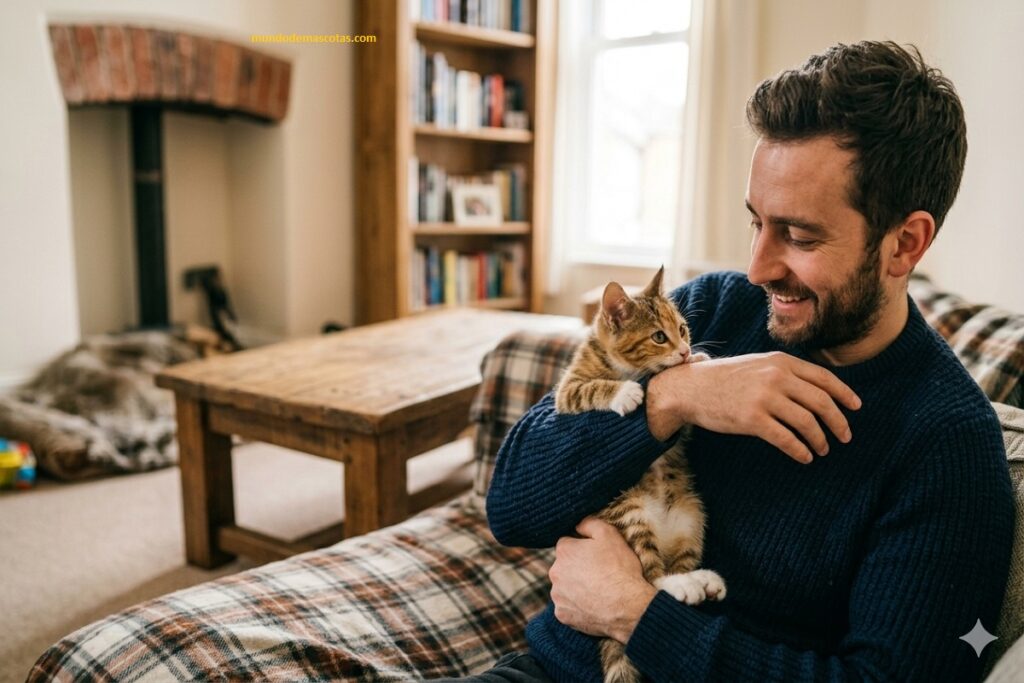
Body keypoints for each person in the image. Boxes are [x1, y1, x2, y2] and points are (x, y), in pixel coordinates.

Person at [447, 41, 1014, 682]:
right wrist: (672, 398)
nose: (758, 268)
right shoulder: (713, 311)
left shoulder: (948, 445)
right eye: (756, 223)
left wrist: (636, 616)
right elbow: (512, 507)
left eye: (799, 236)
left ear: (904, 244)